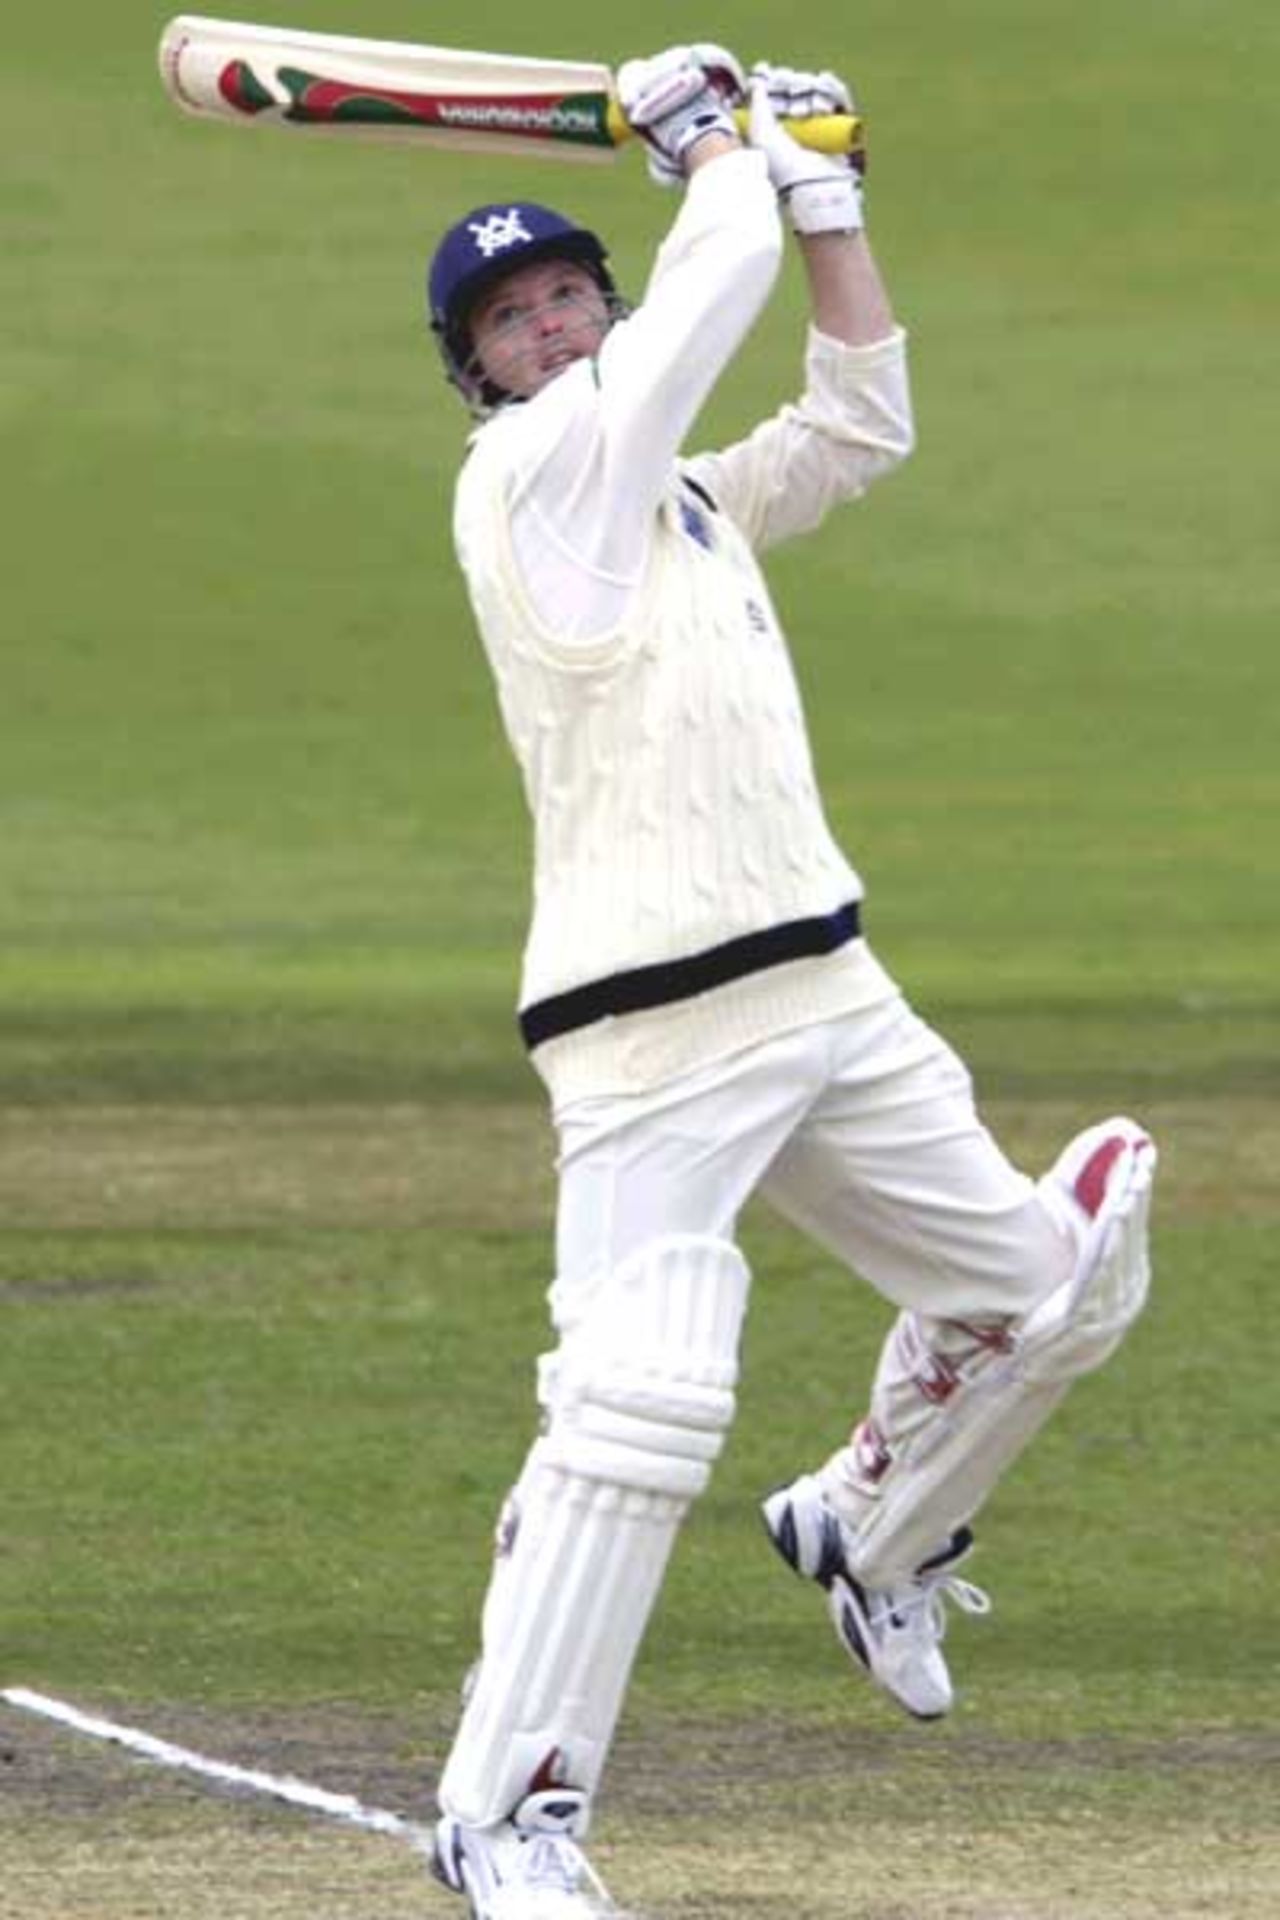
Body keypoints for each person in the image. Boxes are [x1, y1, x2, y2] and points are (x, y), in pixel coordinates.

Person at [422, 45, 1157, 1920]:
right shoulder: (539, 480)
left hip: (824, 991)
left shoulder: (678, 500)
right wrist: (720, 148)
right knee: (641, 1410)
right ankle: (508, 1824)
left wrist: (825, 196)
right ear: (480, 374)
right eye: (514, 318)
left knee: (1051, 1292)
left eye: (572, 289)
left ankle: (864, 1527)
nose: (557, 324)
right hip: (651, 1030)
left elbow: (857, 426)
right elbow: (706, 293)